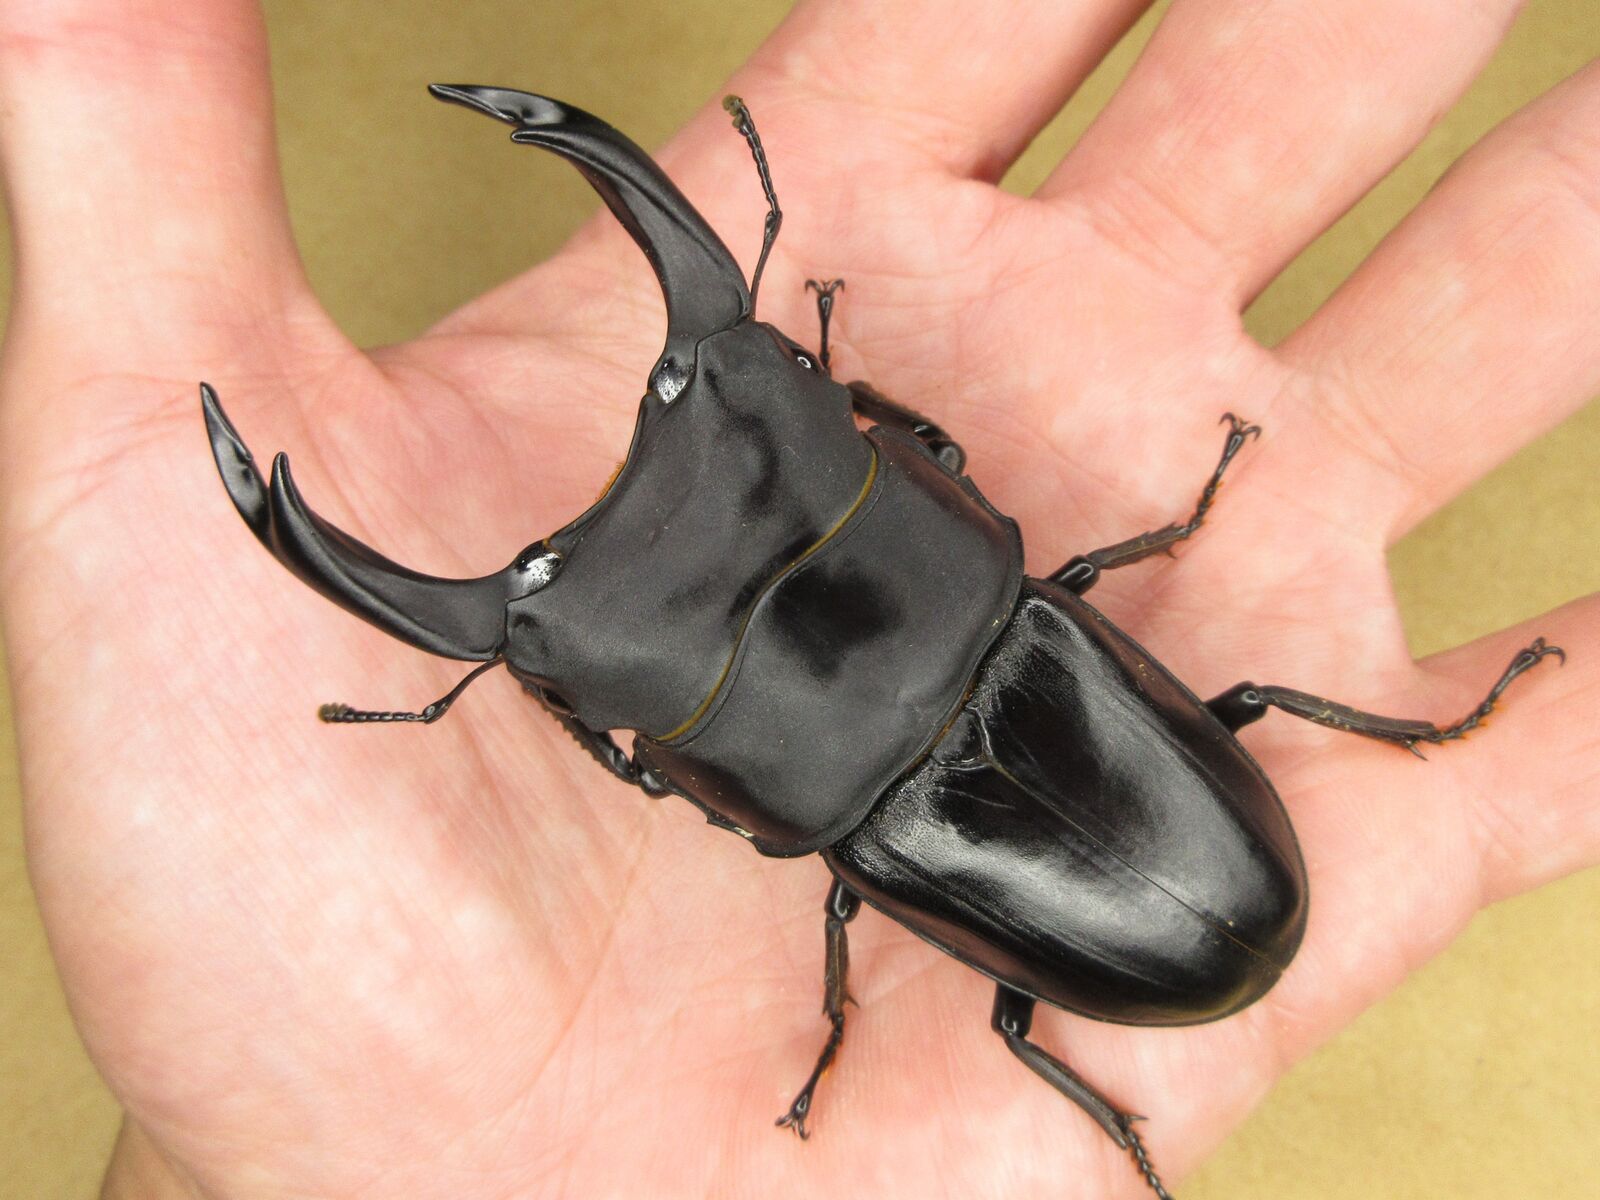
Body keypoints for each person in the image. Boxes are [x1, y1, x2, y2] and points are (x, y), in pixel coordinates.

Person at [1, 2, 1594, 1197]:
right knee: (1084, 900)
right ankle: (1394, 779)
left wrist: (554, 663)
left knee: (1020, 999)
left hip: (1100, 860)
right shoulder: (1033, 619)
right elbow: (952, 486)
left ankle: (1142, 1079)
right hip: (1126, 840)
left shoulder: (876, 823)